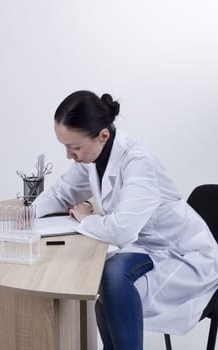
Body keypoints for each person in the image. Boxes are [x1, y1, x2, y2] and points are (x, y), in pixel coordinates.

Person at [34, 90, 218, 350]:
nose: (69, 155)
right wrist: (27, 216)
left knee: (112, 276)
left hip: (184, 254)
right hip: (148, 246)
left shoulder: (137, 161)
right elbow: (61, 193)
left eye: (74, 147)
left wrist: (86, 217)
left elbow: (120, 230)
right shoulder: (91, 157)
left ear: (103, 135)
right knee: (106, 280)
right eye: (65, 147)